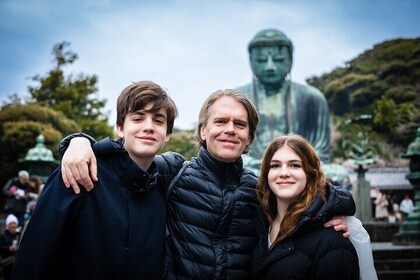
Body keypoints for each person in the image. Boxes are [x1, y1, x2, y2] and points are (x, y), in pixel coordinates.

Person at [60, 89, 351, 279]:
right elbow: (125, 162)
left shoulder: (259, 189)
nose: (229, 130)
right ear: (203, 131)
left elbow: (305, 197)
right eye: (220, 121)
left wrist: (335, 213)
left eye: (240, 124)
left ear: (250, 137)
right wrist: (79, 142)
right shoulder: (172, 172)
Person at [12, 81, 178, 279]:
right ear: (120, 127)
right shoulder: (79, 172)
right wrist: (78, 140)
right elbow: (34, 258)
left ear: (167, 134)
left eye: (158, 121)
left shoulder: (161, 192)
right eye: (138, 118)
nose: (149, 127)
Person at [251, 135, 359, 279]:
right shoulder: (255, 224)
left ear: (311, 174)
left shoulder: (332, 241)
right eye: (275, 165)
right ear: (266, 174)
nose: (284, 173)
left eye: (295, 165)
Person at [238, 28, 330, 168]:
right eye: (262, 60)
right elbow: (231, 147)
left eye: (279, 60)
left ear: (291, 60)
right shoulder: (237, 98)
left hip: (297, 168)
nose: (270, 66)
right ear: (251, 61)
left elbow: (320, 154)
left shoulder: (312, 98)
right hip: (250, 167)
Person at [0, 214, 21, 280]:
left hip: (17, 262)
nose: (13, 225)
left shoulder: (18, 235)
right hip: (7, 262)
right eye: (11, 223)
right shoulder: (3, 236)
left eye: (14, 223)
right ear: (7, 225)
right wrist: (9, 248)